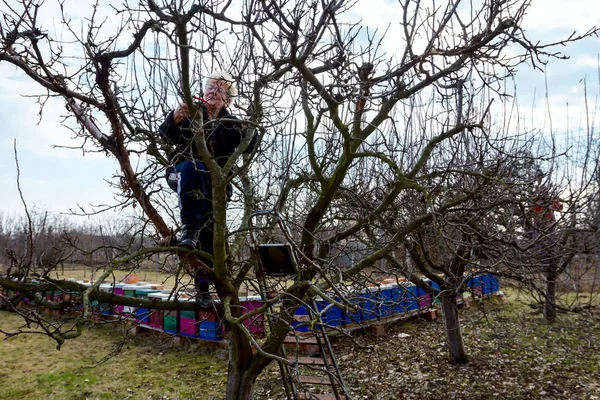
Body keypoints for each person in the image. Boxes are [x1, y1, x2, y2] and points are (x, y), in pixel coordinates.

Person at [159, 71, 257, 306]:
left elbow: (249, 147)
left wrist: (248, 129)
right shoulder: (190, 113)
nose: (212, 91)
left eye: (220, 89)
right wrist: (174, 117)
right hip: (181, 174)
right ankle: (189, 229)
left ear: (228, 100)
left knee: (210, 233)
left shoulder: (230, 123)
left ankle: (203, 290)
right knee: (194, 169)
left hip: (214, 186)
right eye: (209, 87)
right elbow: (165, 135)